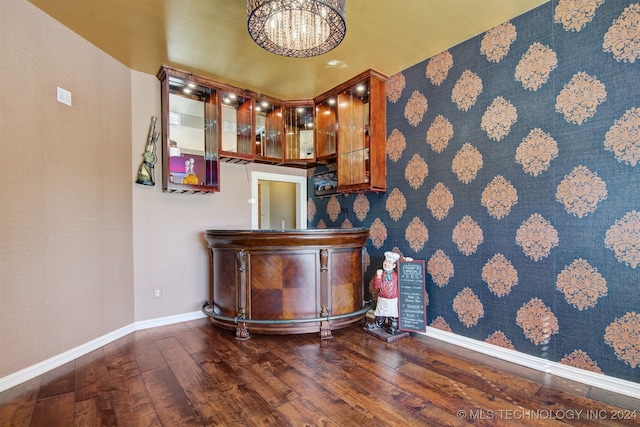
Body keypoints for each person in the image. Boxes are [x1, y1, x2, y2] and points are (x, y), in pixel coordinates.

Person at [366, 251, 402, 334]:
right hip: (382, 298)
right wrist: (378, 277)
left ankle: (393, 326)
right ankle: (378, 324)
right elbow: (376, 286)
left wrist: (408, 262)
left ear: (394, 265)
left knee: (393, 314)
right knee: (380, 313)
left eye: (389, 263)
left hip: (392, 299)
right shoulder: (381, 274)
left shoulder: (396, 275)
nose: (386, 264)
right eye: (385, 262)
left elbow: (404, 270)